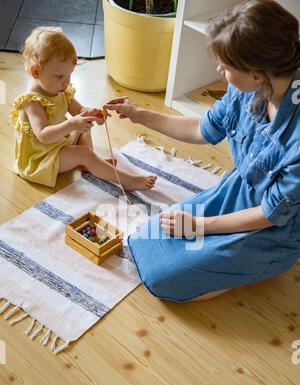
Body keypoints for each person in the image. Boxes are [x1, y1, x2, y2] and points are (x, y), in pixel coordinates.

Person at [104, 0, 300, 302]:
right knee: (146, 240)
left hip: (277, 226)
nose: (219, 70)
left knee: (163, 279)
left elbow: (270, 214)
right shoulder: (248, 87)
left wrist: (199, 227)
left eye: (226, 65)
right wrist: (138, 114)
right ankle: (221, 259)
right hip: (240, 191)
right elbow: (200, 129)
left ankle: (250, 265)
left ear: (257, 73)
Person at [10, 26, 157, 190]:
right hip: (42, 158)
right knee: (83, 151)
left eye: (69, 74)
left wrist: (93, 114)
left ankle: (90, 163)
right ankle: (126, 180)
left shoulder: (60, 89)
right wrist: (72, 124)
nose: (66, 82)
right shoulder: (32, 101)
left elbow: (79, 111)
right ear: (36, 71)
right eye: (59, 76)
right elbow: (44, 136)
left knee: (84, 126)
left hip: (59, 143)